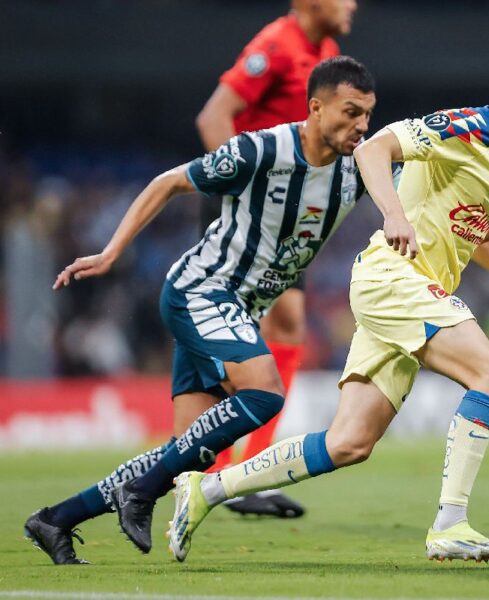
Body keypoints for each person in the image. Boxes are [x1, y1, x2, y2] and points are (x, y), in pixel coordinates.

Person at [168, 44, 489, 564]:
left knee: (348, 443)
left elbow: (479, 233)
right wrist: (394, 214)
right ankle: (450, 524)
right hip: (393, 278)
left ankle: (206, 490)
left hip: (412, 292)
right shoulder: (461, 127)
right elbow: (371, 151)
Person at [23, 56, 376, 565]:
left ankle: (55, 521)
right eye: (350, 112)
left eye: (367, 114)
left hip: (239, 309)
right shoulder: (261, 149)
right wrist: (111, 250)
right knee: (264, 392)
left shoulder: (357, 169)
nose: (360, 125)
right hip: (201, 292)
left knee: (186, 452)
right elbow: (168, 182)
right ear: (315, 108)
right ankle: (139, 493)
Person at [196, 0, 358, 518]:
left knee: (288, 325)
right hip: (249, 213)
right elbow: (213, 116)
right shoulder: (275, 46)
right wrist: (243, 187)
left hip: (288, 216)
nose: (353, 4)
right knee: (238, 335)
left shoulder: (327, 52)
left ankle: (249, 471)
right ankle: (212, 468)